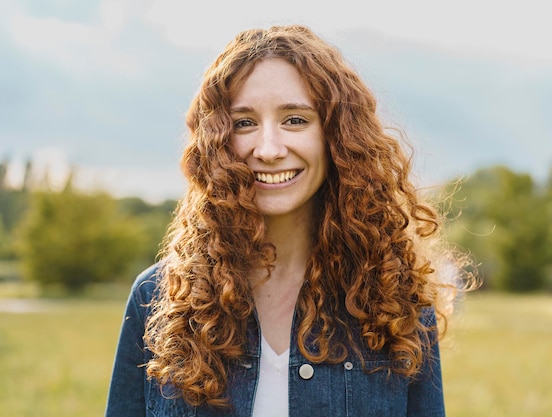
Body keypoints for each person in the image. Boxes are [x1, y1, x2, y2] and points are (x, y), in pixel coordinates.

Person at [105, 24, 472, 417]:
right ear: (218, 141)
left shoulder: (397, 298)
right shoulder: (156, 298)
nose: (268, 149)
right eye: (244, 122)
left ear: (337, 137)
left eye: (295, 120)